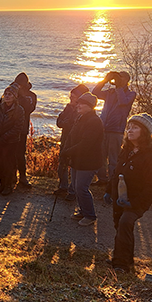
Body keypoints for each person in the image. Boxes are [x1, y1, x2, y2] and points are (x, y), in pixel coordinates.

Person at [104, 113, 152, 273]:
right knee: (120, 225)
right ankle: (125, 260)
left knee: (125, 223)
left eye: (135, 127)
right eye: (129, 127)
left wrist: (135, 202)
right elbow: (117, 171)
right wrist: (109, 190)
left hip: (137, 199)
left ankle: (120, 265)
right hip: (120, 197)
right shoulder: (127, 149)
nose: (130, 130)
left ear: (145, 131)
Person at [60, 92, 104, 226]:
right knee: (75, 186)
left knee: (81, 188)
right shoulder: (81, 118)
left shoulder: (94, 121)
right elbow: (71, 136)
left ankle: (90, 215)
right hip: (77, 159)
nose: (78, 105)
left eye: (81, 103)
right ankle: (83, 210)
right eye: (78, 103)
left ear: (89, 106)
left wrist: (68, 152)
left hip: (89, 161)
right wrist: (65, 151)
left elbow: (86, 144)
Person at [92, 71, 136, 186]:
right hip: (103, 128)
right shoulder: (110, 92)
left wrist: (119, 87)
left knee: (113, 159)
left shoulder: (131, 94)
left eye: (121, 78)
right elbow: (95, 93)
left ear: (126, 80)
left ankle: (112, 181)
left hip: (116, 130)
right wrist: (105, 80)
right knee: (100, 156)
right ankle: (102, 179)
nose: (118, 80)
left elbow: (123, 102)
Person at [55, 84, 89, 199]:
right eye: (70, 96)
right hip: (65, 139)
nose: (71, 99)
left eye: (73, 97)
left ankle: (73, 191)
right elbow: (59, 122)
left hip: (75, 142)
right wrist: (67, 120)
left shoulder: (82, 112)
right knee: (62, 164)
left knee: (75, 166)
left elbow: (74, 124)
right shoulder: (68, 108)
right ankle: (63, 186)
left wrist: (67, 121)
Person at [0, 83, 25, 195]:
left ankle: (9, 185)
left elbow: (18, 127)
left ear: (15, 96)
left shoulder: (19, 110)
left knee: (9, 164)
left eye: (10, 94)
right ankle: (2, 183)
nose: (7, 96)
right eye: (6, 94)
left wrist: (4, 137)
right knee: (0, 163)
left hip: (11, 142)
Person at [12, 73, 38, 188]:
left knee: (20, 153)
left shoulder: (31, 96)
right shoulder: (11, 92)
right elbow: (4, 105)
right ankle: (11, 176)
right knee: (10, 153)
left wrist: (20, 96)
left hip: (22, 129)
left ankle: (22, 177)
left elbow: (28, 109)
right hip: (9, 127)